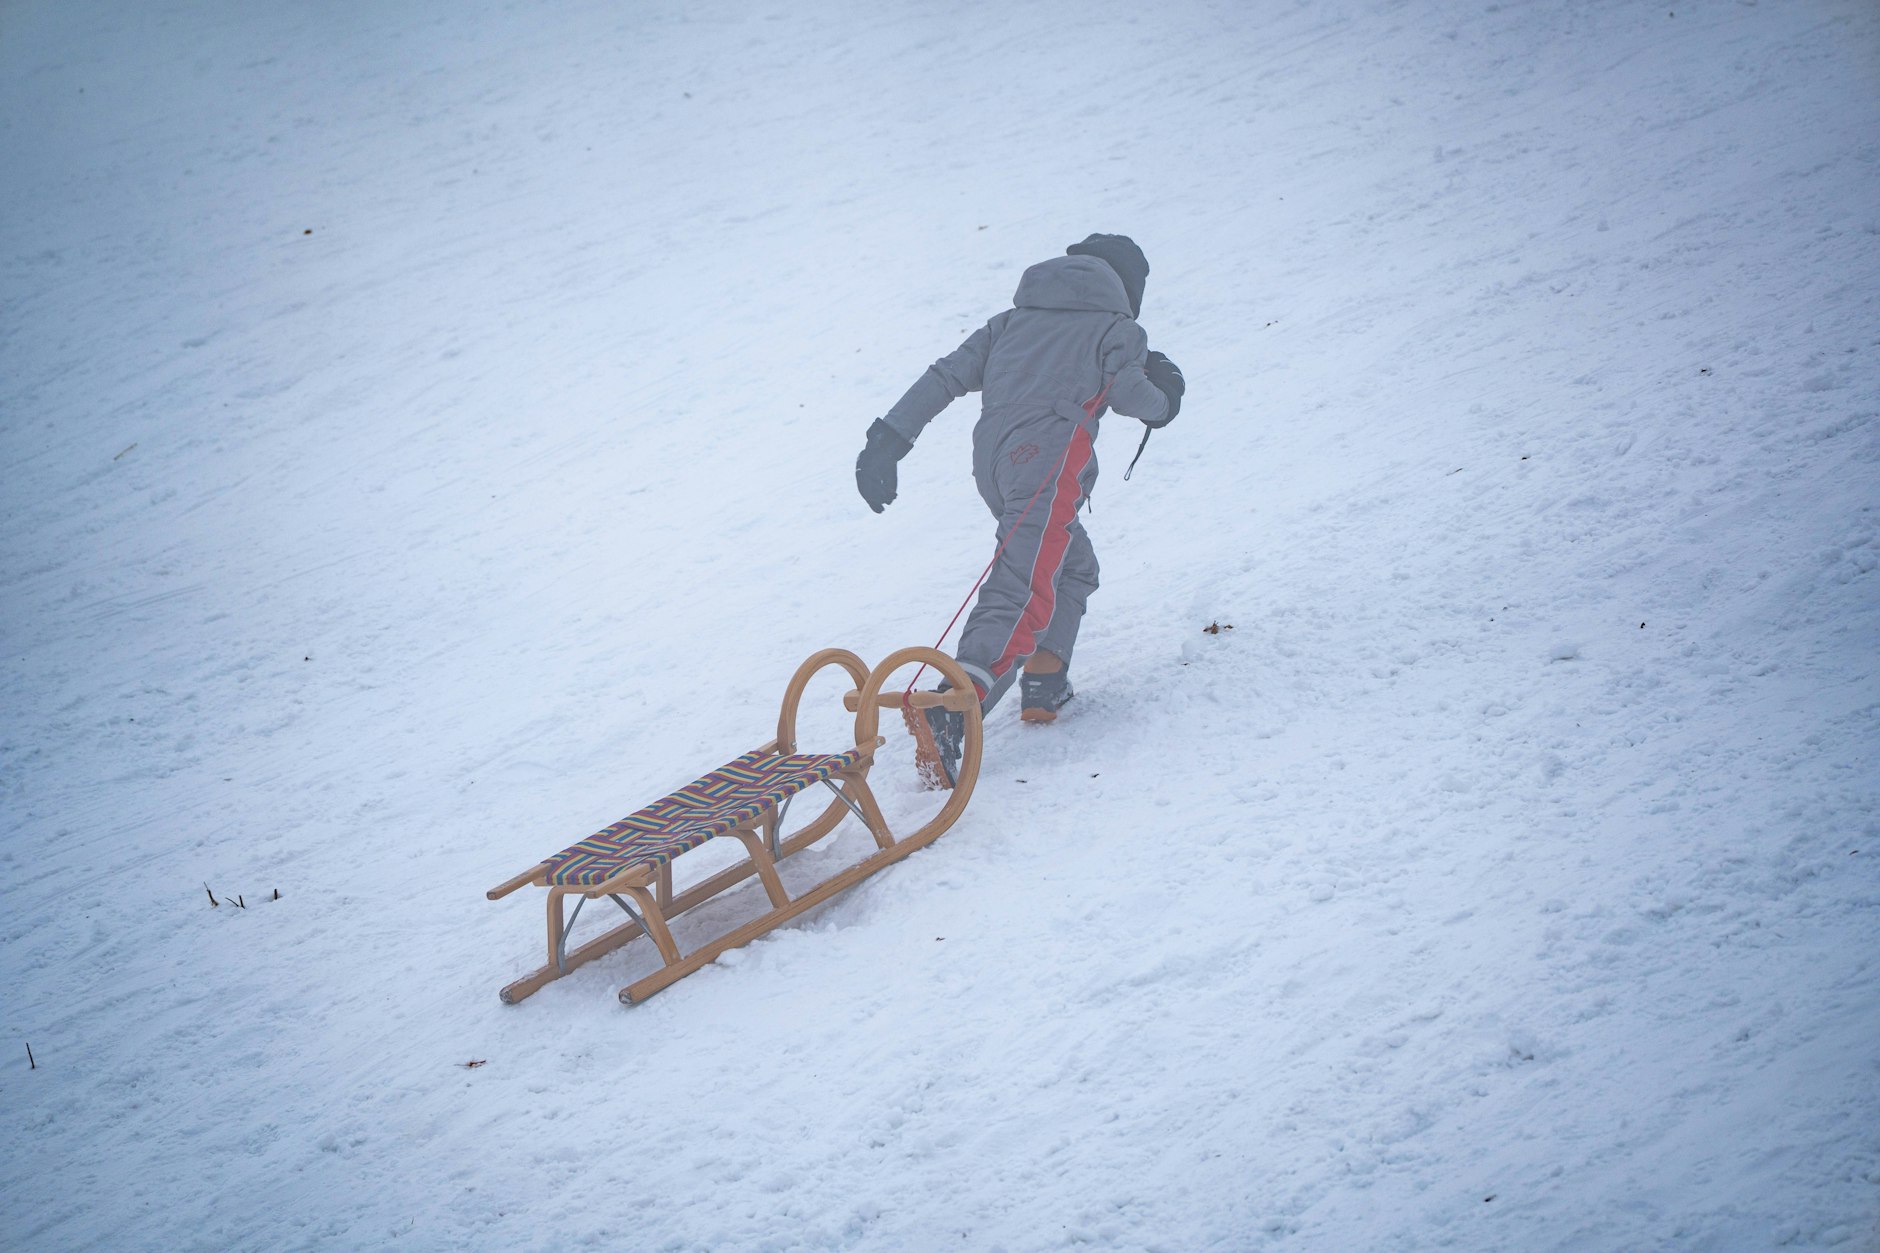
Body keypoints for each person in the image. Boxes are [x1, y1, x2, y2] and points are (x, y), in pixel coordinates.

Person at [854, 233, 1186, 783]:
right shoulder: (1116, 329)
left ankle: (1044, 679)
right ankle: (955, 707)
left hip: (997, 465)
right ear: (1128, 287)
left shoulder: (1010, 322)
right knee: (1024, 582)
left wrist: (887, 441)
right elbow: (1135, 397)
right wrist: (1167, 394)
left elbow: (946, 376)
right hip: (1048, 464)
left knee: (1071, 565)